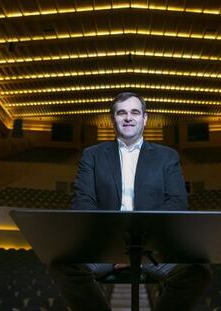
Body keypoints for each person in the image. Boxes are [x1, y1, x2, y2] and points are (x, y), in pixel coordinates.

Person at [49, 92, 211, 311]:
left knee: (198, 272)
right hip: (105, 247)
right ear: (112, 119)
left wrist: (142, 247)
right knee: (63, 266)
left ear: (145, 118)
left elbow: (177, 203)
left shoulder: (167, 156)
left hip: (153, 250)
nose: (128, 117)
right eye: (121, 113)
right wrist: (116, 247)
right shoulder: (92, 155)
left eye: (135, 112)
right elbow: (83, 203)